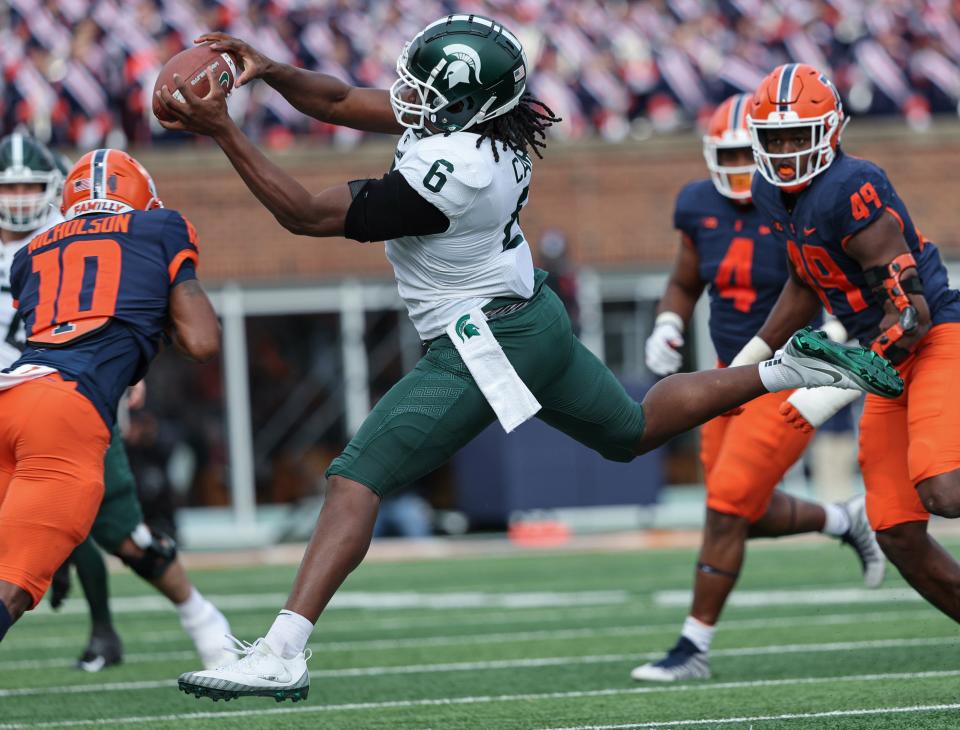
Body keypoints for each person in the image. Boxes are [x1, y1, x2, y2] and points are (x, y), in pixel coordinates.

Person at [155, 16, 901, 702]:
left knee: (357, 476)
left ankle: (283, 650)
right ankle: (788, 370)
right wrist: (271, 69)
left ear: (471, 105)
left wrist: (222, 129)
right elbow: (346, 97)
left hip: (482, 340)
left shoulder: (459, 171)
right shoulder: (484, 125)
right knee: (631, 430)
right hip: (531, 316)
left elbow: (303, 214)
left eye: (428, 92)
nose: (411, 98)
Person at [631, 94, 884, 682]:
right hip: (729, 374)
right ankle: (845, 521)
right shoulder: (697, 203)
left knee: (725, 508)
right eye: (731, 155)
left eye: (753, 152)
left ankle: (692, 646)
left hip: (791, 377)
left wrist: (842, 341)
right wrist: (669, 321)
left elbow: (841, 284)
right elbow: (683, 279)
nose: (745, 167)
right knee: (739, 510)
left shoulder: (800, 202)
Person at [733, 63, 960, 627]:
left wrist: (843, 376)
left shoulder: (850, 186)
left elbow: (911, 312)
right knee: (896, 532)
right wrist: (752, 354)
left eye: (797, 136)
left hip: (930, 340)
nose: (784, 150)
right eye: (774, 138)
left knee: (945, 492)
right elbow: (806, 280)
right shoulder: (769, 191)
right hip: (879, 359)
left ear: (831, 131)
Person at [0, 146, 226, 668]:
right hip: (65, 412)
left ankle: (187, 621)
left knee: (103, 535)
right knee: (13, 589)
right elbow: (202, 342)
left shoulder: (30, 254)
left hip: (13, 394)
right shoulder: (161, 227)